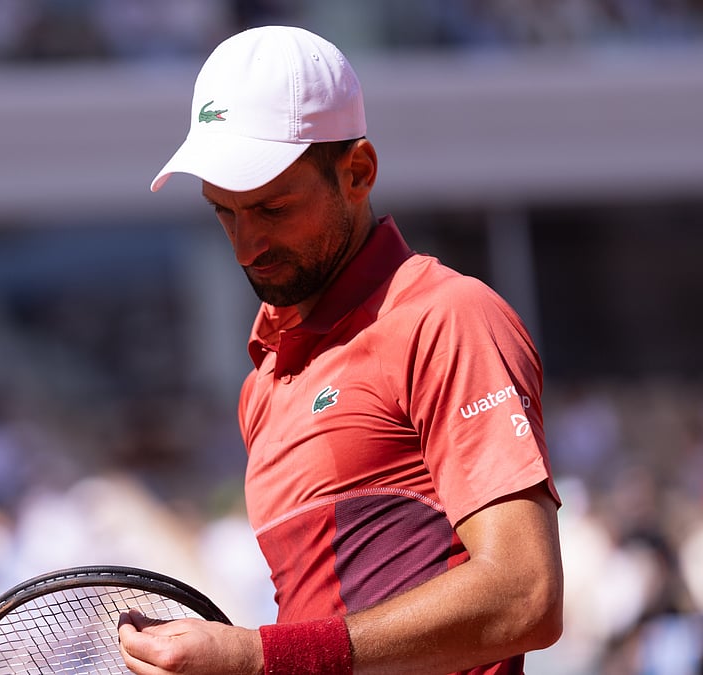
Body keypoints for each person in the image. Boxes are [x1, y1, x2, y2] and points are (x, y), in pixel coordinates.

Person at [117, 25, 563, 675]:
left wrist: (258, 655)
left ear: (357, 172)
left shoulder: (448, 318)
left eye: (271, 208)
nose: (246, 246)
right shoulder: (263, 381)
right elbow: (323, 639)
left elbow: (527, 596)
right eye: (225, 212)